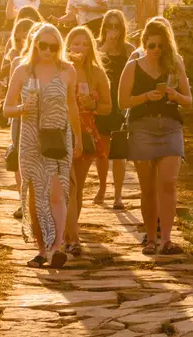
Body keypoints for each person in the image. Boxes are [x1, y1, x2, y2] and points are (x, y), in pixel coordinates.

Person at [3, 23, 82, 268]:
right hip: (29, 139)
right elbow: (6, 108)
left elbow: (72, 106)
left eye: (53, 46)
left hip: (58, 137)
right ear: (35, 43)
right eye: (43, 45)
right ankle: (40, 250)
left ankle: (57, 248)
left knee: (57, 194)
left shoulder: (68, 70)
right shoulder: (22, 70)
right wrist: (22, 109)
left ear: (59, 46)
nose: (47, 50)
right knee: (36, 196)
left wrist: (78, 137)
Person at [119, 20, 192, 256]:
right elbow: (122, 102)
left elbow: (189, 101)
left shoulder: (174, 64)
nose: (156, 50)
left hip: (170, 126)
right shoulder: (133, 66)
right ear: (144, 44)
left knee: (168, 182)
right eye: (152, 45)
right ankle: (150, 238)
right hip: (142, 128)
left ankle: (167, 239)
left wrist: (174, 94)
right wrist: (145, 97)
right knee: (148, 187)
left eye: (161, 45)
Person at [63, 26, 112, 256]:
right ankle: (65, 234)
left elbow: (108, 107)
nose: (79, 48)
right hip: (61, 130)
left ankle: (71, 234)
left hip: (85, 131)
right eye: (75, 43)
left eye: (84, 44)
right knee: (64, 185)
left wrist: (92, 105)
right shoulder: (61, 69)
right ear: (67, 45)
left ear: (91, 47)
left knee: (77, 187)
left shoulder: (97, 73)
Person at [94, 9, 137, 209]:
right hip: (102, 103)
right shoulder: (96, 47)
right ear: (104, 28)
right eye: (109, 26)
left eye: (116, 26)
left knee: (118, 151)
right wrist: (103, 48)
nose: (113, 30)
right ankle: (102, 187)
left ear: (122, 28)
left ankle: (118, 194)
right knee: (101, 150)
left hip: (120, 105)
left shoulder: (129, 50)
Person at [1, 18, 38, 220]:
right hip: (20, 116)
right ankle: (23, 202)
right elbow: (10, 92)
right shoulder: (17, 62)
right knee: (19, 158)